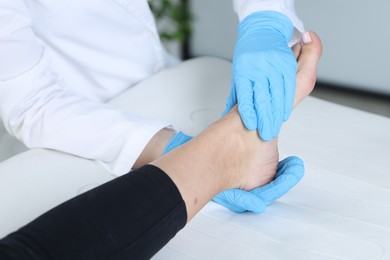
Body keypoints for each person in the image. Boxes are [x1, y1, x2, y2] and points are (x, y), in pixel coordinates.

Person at [0, 32, 323, 259]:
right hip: (62, 114)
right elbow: (30, 100)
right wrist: (171, 146)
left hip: (149, 81)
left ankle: (222, 151)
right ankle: (220, 155)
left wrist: (265, 15)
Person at [0, 0, 306, 212]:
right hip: (67, 131)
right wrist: (188, 155)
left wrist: (265, 17)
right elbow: (31, 103)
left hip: (157, 82)